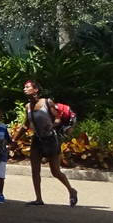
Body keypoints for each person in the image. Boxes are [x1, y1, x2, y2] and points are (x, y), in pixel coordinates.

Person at [21, 78, 78, 207]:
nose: (25, 89)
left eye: (28, 87)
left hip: (51, 139)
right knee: (35, 171)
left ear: (36, 90)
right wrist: (14, 139)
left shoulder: (47, 102)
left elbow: (57, 118)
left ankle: (71, 190)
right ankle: (38, 198)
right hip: (37, 140)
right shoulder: (27, 106)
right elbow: (25, 125)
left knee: (55, 171)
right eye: (24, 87)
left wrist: (52, 126)